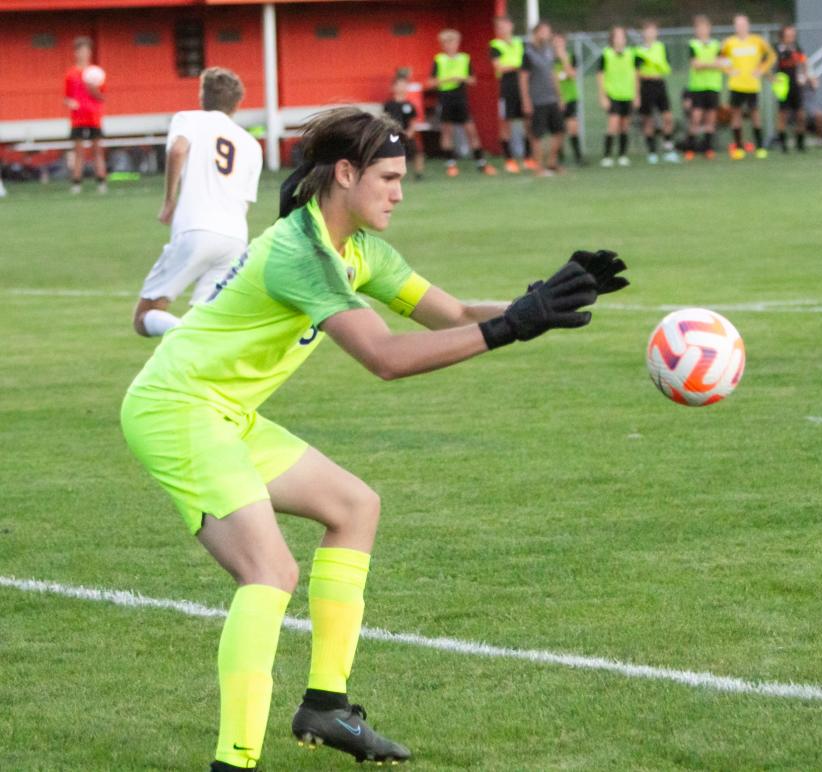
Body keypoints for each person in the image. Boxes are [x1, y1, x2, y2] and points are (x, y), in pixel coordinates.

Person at [120, 105, 627, 772]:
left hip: (226, 414)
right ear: (345, 173)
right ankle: (232, 762)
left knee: (355, 506)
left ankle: (326, 706)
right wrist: (515, 326)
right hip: (177, 411)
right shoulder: (299, 253)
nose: (399, 191)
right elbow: (385, 357)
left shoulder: (358, 251)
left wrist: (539, 303)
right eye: (388, 177)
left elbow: (449, 313)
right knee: (268, 572)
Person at [132, 67, 262, 338]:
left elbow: (178, 149)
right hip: (235, 239)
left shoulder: (189, 119)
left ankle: (183, 331)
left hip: (196, 230)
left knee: (144, 317)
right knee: (208, 324)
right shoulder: (251, 144)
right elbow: (246, 202)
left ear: (202, 97)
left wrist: (169, 199)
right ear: (238, 104)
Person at [428, 29, 496, 177]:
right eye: (446, 42)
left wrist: (461, 78)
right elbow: (431, 82)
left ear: (457, 43)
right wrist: (448, 79)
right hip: (445, 98)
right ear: (442, 45)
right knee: (447, 131)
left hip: (461, 98)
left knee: (471, 130)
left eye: (453, 42)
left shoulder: (465, 58)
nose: (450, 45)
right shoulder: (439, 59)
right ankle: (450, 164)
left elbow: (473, 80)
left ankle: (481, 162)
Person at [721, 14, 775, 159]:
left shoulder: (757, 41)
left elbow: (771, 56)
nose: (741, 27)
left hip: (752, 84)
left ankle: (760, 146)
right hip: (736, 84)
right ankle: (738, 147)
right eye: (738, 25)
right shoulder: (729, 42)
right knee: (736, 115)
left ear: (748, 25)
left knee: (755, 114)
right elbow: (721, 58)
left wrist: (761, 70)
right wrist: (729, 70)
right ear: (735, 27)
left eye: (743, 24)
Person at [520, 20, 566, 175]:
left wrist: (559, 97)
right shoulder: (528, 53)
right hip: (537, 100)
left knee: (559, 131)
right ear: (537, 32)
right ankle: (538, 167)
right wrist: (526, 101)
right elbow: (523, 79)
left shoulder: (548, 50)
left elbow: (552, 74)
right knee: (537, 135)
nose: (548, 35)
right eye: (545, 31)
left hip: (551, 98)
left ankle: (552, 162)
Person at [489, 15, 534, 172]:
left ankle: (528, 157)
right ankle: (509, 159)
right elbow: (499, 68)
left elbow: (528, 64)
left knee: (527, 122)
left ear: (511, 26)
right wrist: (518, 66)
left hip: (522, 87)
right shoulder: (495, 45)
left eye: (504, 26)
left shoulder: (520, 43)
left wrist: (516, 66)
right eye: (499, 27)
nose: (502, 29)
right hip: (506, 88)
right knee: (506, 123)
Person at [64, 36, 107, 194]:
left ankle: (101, 182)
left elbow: (102, 96)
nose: (84, 53)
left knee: (97, 151)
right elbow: (67, 97)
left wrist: (92, 88)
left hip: (94, 117)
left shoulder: (96, 73)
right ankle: (76, 183)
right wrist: (70, 103)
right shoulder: (71, 74)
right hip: (78, 118)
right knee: (78, 151)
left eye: (86, 50)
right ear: (76, 53)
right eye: (81, 50)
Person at [635, 20, 679, 164]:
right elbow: (638, 72)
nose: (650, 34)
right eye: (647, 30)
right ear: (643, 33)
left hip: (660, 85)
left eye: (653, 30)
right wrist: (650, 69)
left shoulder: (661, 47)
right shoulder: (638, 50)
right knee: (648, 120)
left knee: (667, 117)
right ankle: (652, 151)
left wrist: (652, 64)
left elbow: (666, 68)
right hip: (646, 87)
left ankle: (668, 147)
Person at [597, 26, 640, 167]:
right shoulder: (606, 54)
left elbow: (635, 75)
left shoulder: (631, 54)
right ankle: (607, 155)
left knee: (624, 126)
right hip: (612, 94)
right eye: (617, 36)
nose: (620, 39)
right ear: (612, 39)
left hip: (627, 94)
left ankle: (622, 155)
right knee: (613, 124)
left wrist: (636, 94)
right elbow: (600, 76)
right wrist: (602, 95)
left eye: (622, 36)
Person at [684, 15, 724, 160]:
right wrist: (712, 63)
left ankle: (708, 148)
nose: (702, 30)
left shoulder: (716, 44)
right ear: (696, 30)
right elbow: (696, 65)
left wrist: (705, 64)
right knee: (696, 118)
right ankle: (690, 148)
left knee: (711, 119)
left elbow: (721, 63)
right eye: (699, 28)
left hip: (713, 86)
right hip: (697, 87)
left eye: (704, 27)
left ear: (709, 28)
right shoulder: (693, 44)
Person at [774, 24, 816, 153]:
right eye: (788, 35)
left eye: (793, 35)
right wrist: (774, 79)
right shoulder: (777, 49)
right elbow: (771, 66)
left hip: (796, 85)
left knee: (800, 114)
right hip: (783, 86)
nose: (791, 37)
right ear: (783, 36)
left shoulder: (797, 48)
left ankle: (800, 143)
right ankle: (783, 145)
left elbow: (804, 62)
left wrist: (807, 76)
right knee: (783, 115)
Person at [383, 75, 425, 178]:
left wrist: (410, 132)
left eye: (404, 85)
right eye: (399, 85)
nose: (402, 87)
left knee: (417, 152)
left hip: (407, 134)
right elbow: (385, 119)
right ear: (393, 87)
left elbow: (413, 121)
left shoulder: (409, 105)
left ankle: (418, 173)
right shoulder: (389, 105)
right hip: (393, 134)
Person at [553, 32, 585, 165]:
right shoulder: (549, 59)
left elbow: (572, 75)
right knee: (559, 129)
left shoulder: (571, 57)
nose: (559, 45)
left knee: (573, 127)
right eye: (556, 42)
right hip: (555, 98)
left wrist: (564, 59)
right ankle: (558, 158)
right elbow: (553, 78)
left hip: (571, 96)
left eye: (561, 42)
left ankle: (578, 157)